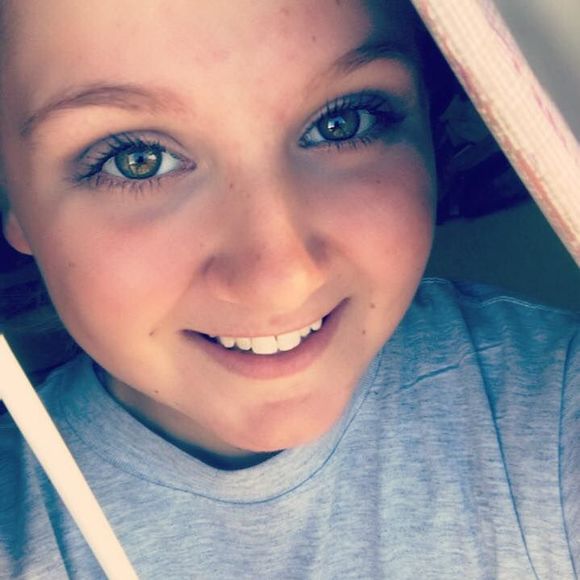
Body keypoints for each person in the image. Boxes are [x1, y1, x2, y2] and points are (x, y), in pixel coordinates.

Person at [0, 0, 578, 577]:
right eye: (138, 160)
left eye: (341, 123)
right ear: (11, 196)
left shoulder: (554, 409)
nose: (281, 278)